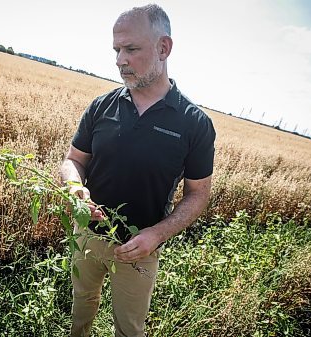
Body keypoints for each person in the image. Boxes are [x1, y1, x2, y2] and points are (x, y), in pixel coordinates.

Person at [59, 3, 216, 336]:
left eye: (130, 49)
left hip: (138, 249)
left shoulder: (195, 124)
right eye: (116, 50)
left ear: (163, 47)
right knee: (81, 306)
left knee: (129, 328)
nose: (119, 60)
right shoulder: (102, 106)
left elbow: (199, 194)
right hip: (86, 235)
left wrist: (156, 235)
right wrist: (75, 189)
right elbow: (74, 160)